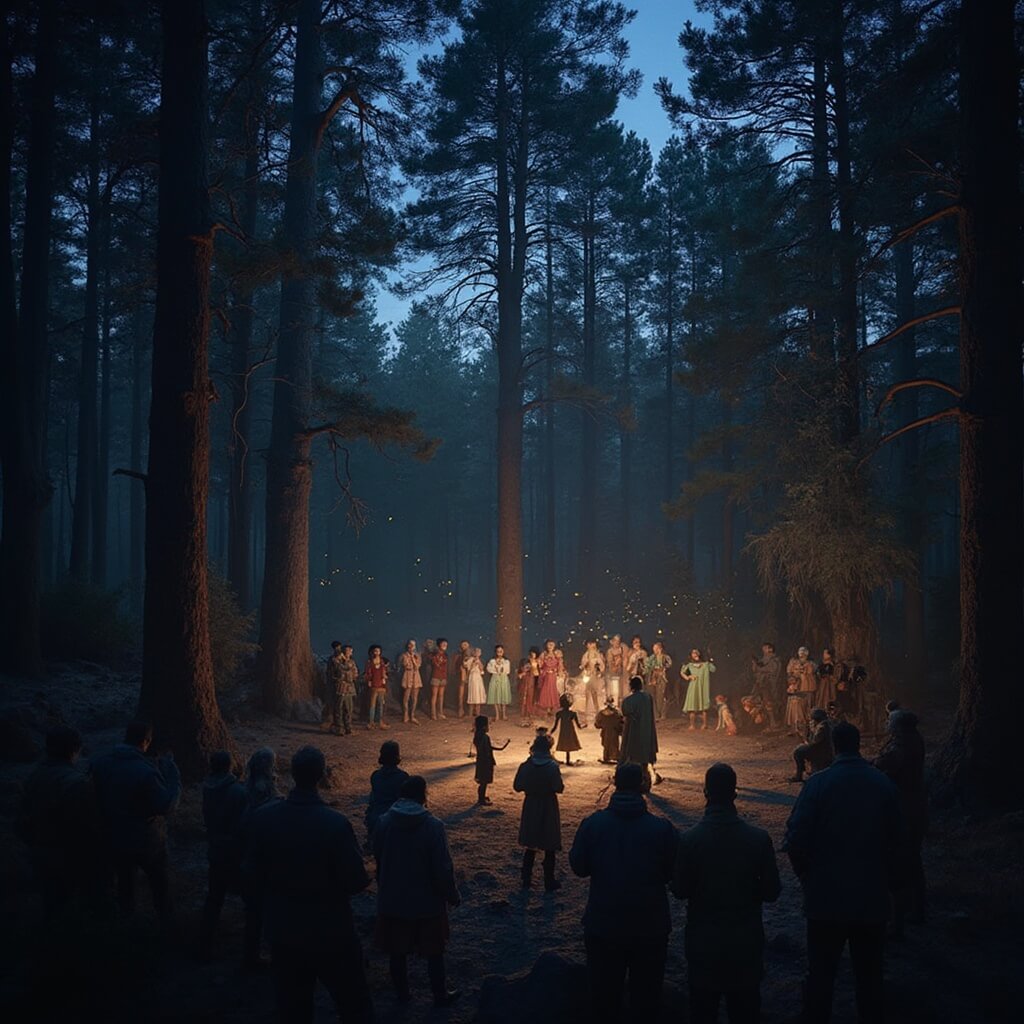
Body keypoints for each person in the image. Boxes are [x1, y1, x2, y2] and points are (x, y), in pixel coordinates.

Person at [243, 746, 372, 1024]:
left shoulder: (264, 818)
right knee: (354, 1006)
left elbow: (251, 874)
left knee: (293, 1010)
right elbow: (356, 882)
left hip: (284, 931)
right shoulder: (335, 824)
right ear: (321, 775)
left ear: (291, 774)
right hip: (331, 932)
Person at [783, 722, 902, 1024]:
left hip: (826, 896)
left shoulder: (818, 784)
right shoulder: (882, 784)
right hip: (871, 895)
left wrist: (806, 877)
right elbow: (899, 841)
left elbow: (795, 839)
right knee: (869, 973)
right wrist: (890, 884)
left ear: (834, 746)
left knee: (822, 971)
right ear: (858, 744)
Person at [569, 762, 679, 1024]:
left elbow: (579, 867)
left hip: (603, 924)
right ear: (642, 785)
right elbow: (674, 872)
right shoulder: (662, 829)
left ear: (614, 782)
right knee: (647, 998)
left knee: (604, 998)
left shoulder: (593, 824)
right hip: (650, 925)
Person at [673, 763, 781, 1024]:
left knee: (703, 1010)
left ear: (705, 793)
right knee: (745, 1010)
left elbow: (679, 890)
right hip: (745, 941)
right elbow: (772, 891)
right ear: (735, 793)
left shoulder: (690, 840)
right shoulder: (758, 839)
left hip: (704, 942)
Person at [373, 775, 461, 1007]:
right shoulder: (434, 826)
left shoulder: (384, 822)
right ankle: (439, 994)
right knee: (434, 951)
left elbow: (378, 856)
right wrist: (452, 894)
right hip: (427, 900)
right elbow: (443, 867)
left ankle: (402, 995)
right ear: (424, 795)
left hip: (393, 898)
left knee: (397, 951)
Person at [91, 721, 180, 920]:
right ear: (146, 741)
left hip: (114, 836)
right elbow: (165, 805)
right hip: (146, 840)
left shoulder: (100, 762)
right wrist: (173, 775)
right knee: (160, 885)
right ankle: (166, 925)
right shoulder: (145, 772)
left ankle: (127, 924)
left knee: (125, 885)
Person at [18, 724, 99, 917]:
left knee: (51, 906)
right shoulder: (76, 783)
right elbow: (89, 827)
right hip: (69, 856)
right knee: (76, 910)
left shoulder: (34, 777)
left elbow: (22, 817)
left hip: (40, 851)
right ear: (75, 750)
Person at [874, 709, 927, 935]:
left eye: (889, 720)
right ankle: (916, 908)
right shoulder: (912, 739)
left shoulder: (901, 745)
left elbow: (883, 764)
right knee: (912, 860)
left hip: (904, 807)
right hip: (914, 805)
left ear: (897, 725)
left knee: (900, 861)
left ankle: (900, 919)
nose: (886, 723)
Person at [199, 750, 249, 958]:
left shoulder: (207, 788)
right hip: (235, 854)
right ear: (230, 766)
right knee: (250, 900)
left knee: (214, 899)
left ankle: (203, 946)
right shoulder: (238, 792)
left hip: (216, 850)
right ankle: (249, 950)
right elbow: (245, 824)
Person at [240, 747, 280, 969]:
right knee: (263, 908)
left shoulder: (246, 788)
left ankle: (252, 952)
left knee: (253, 911)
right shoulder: (263, 791)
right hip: (263, 857)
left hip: (250, 855)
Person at [513, 736, 565, 891]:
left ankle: (526, 878)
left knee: (531, 843)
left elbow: (517, 786)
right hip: (548, 804)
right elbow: (559, 788)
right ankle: (549, 880)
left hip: (531, 804)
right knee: (550, 842)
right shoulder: (552, 767)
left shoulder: (525, 766)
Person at [620, 676, 659, 791]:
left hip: (633, 732)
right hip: (647, 731)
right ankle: (646, 782)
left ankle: (634, 782)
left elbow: (625, 712)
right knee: (644, 760)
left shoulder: (628, 700)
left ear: (631, 686)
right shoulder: (648, 697)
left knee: (632, 756)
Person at [365, 739, 410, 840]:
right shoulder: (403, 777)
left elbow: (373, 800)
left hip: (376, 818)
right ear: (397, 755)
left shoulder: (375, 775)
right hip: (394, 820)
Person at [471, 716, 510, 805]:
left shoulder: (478, 736)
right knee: (484, 782)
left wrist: (502, 747)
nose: (489, 727)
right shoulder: (484, 737)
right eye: (488, 725)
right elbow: (487, 749)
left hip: (481, 761)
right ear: (484, 726)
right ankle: (481, 800)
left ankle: (482, 797)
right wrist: (502, 747)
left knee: (483, 782)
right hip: (485, 761)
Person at [789, 708, 834, 783]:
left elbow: (813, 742)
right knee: (800, 749)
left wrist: (809, 732)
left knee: (798, 752)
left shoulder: (822, 727)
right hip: (824, 751)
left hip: (823, 753)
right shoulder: (826, 724)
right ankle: (804, 771)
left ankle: (799, 775)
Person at [327, 642, 359, 735]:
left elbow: (355, 673)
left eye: (351, 651)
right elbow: (337, 671)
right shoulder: (336, 661)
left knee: (348, 708)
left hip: (349, 688)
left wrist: (352, 676)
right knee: (338, 708)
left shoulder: (352, 662)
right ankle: (339, 727)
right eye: (348, 651)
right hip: (340, 687)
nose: (350, 652)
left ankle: (348, 727)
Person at [681, 648, 716, 730]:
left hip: (703, 687)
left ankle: (705, 724)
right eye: (693, 653)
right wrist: (688, 677)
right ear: (691, 655)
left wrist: (709, 661)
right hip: (693, 687)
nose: (695, 654)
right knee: (692, 706)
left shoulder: (705, 664)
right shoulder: (689, 665)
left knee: (704, 706)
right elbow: (682, 672)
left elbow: (713, 669)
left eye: (697, 652)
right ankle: (692, 725)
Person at [750, 642, 783, 731]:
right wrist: (754, 664)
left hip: (771, 685)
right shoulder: (763, 660)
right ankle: (767, 724)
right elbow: (756, 670)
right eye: (763, 648)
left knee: (770, 704)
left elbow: (770, 670)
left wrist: (759, 669)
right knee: (763, 704)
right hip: (762, 685)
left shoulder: (774, 660)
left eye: (765, 648)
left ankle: (774, 724)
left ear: (770, 649)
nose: (763, 650)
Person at [785, 645, 816, 734]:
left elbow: (812, 672)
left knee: (807, 707)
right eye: (800, 651)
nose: (802, 653)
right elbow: (789, 673)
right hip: (796, 688)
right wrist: (792, 682)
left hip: (807, 688)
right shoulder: (793, 662)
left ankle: (807, 728)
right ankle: (794, 727)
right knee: (794, 706)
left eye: (804, 652)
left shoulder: (811, 663)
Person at [578, 637, 606, 726]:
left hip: (595, 677)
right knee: (587, 695)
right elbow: (582, 665)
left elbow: (602, 666)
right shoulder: (586, 655)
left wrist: (598, 669)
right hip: (587, 676)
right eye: (589, 644)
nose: (591, 645)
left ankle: (598, 715)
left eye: (593, 643)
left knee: (595, 695)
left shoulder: (598, 655)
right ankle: (585, 716)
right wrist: (585, 665)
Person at [364, 644, 390, 730]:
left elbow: (384, 672)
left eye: (378, 651)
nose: (377, 652)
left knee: (380, 704)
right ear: (372, 652)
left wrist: (384, 679)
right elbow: (368, 673)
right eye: (375, 651)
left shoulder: (382, 661)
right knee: (372, 705)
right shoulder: (370, 662)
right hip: (374, 685)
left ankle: (380, 722)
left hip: (381, 685)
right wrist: (369, 681)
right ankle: (371, 722)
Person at [551, 693, 582, 766]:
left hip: (563, 732)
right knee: (569, 746)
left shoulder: (559, 713)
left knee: (565, 745)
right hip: (570, 731)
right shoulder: (573, 714)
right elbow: (579, 726)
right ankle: (568, 761)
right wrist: (584, 725)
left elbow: (555, 726)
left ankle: (567, 761)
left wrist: (550, 733)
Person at [645, 641, 673, 721]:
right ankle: (656, 714)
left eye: (656, 648)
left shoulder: (665, 657)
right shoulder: (652, 657)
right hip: (653, 677)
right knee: (653, 695)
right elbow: (647, 665)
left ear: (660, 649)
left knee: (661, 695)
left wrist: (663, 668)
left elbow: (669, 664)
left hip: (662, 677)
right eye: (654, 648)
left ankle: (663, 713)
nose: (654, 650)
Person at [486, 644, 513, 720]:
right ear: (496, 652)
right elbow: (489, 669)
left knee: (503, 696)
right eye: (498, 651)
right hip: (495, 678)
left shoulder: (506, 661)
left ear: (503, 651)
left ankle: (504, 714)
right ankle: (497, 714)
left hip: (503, 679)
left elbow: (507, 671)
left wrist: (501, 667)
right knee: (495, 696)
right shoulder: (492, 661)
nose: (499, 653)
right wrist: (496, 668)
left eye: (501, 651)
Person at [400, 639, 423, 725]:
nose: (411, 647)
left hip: (416, 677)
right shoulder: (404, 655)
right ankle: (405, 714)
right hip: (408, 676)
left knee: (414, 697)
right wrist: (411, 661)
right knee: (406, 696)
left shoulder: (417, 655)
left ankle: (412, 715)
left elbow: (417, 666)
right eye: (410, 645)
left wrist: (413, 659)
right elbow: (406, 665)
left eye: (413, 645)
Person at [536, 639, 563, 713]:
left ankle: (552, 705)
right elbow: (540, 664)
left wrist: (559, 671)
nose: (550, 646)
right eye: (549, 644)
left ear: (554, 646)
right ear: (546, 645)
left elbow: (560, 665)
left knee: (553, 689)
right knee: (546, 689)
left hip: (553, 674)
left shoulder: (557, 654)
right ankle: (547, 706)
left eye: (552, 644)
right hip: (546, 675)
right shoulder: (544, 654)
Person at [594, 697, 623, 764]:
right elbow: (621, 722)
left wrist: (602, 725)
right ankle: (615, 757)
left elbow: (597, 724)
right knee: (614, 744)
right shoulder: (617, 713)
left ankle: (606, 757)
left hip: (605, 731)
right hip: (614, 731)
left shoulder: (601, 713)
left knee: (606, 744)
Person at [519, 647, 541, 723]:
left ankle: (531, 710)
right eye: (531, 653)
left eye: (534, 653)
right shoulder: (527, 661)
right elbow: (524, 669)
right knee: (527, 695)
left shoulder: (538, 661)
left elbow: (539, 669)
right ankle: (526, 712)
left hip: (536, 677)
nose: (533, 654)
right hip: (529, 679)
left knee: (534, 694)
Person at [429, 638, 449, 721]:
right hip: (436, 676)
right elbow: (436, 664)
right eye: (443, 644)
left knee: (441, 696)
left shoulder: (445, 655)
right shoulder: (434, 655)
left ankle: (440, 713)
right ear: (439, 645)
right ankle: (433, 714)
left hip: (443, 677)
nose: (445, 645)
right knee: (434, 695)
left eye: (446, 644)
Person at [466, 646, 487, 717]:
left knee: (478, 694)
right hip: (472, 677)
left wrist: (479, 663)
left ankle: (478, 713)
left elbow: (482, 669)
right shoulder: (470, 659)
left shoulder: (480, 660)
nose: (477, 653)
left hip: (478, 678)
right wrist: (473, 663)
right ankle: (470, 713)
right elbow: (468, 669)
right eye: (476, 652)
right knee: (472, 694)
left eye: (479, 652)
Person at [605, 634, 626, 703]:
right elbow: (610, 663)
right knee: (613, 691)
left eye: (618, 641)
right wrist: (615, 665)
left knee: (621, 692)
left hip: (621, 674)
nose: (617, 643)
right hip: (612, 675)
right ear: (612, 642)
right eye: (615, 641)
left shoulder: (622, 649)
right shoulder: (610, 651)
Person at [454, 639, 471, 719]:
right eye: (463, 645)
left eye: (466, 645)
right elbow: (459, 664)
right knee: (461, 691)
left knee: (467, 692)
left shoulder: (469, 654)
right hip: (462, 675)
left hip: (468, 675)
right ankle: (460, 709)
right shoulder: (459, 655)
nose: (464, 646)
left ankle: (467, 709)